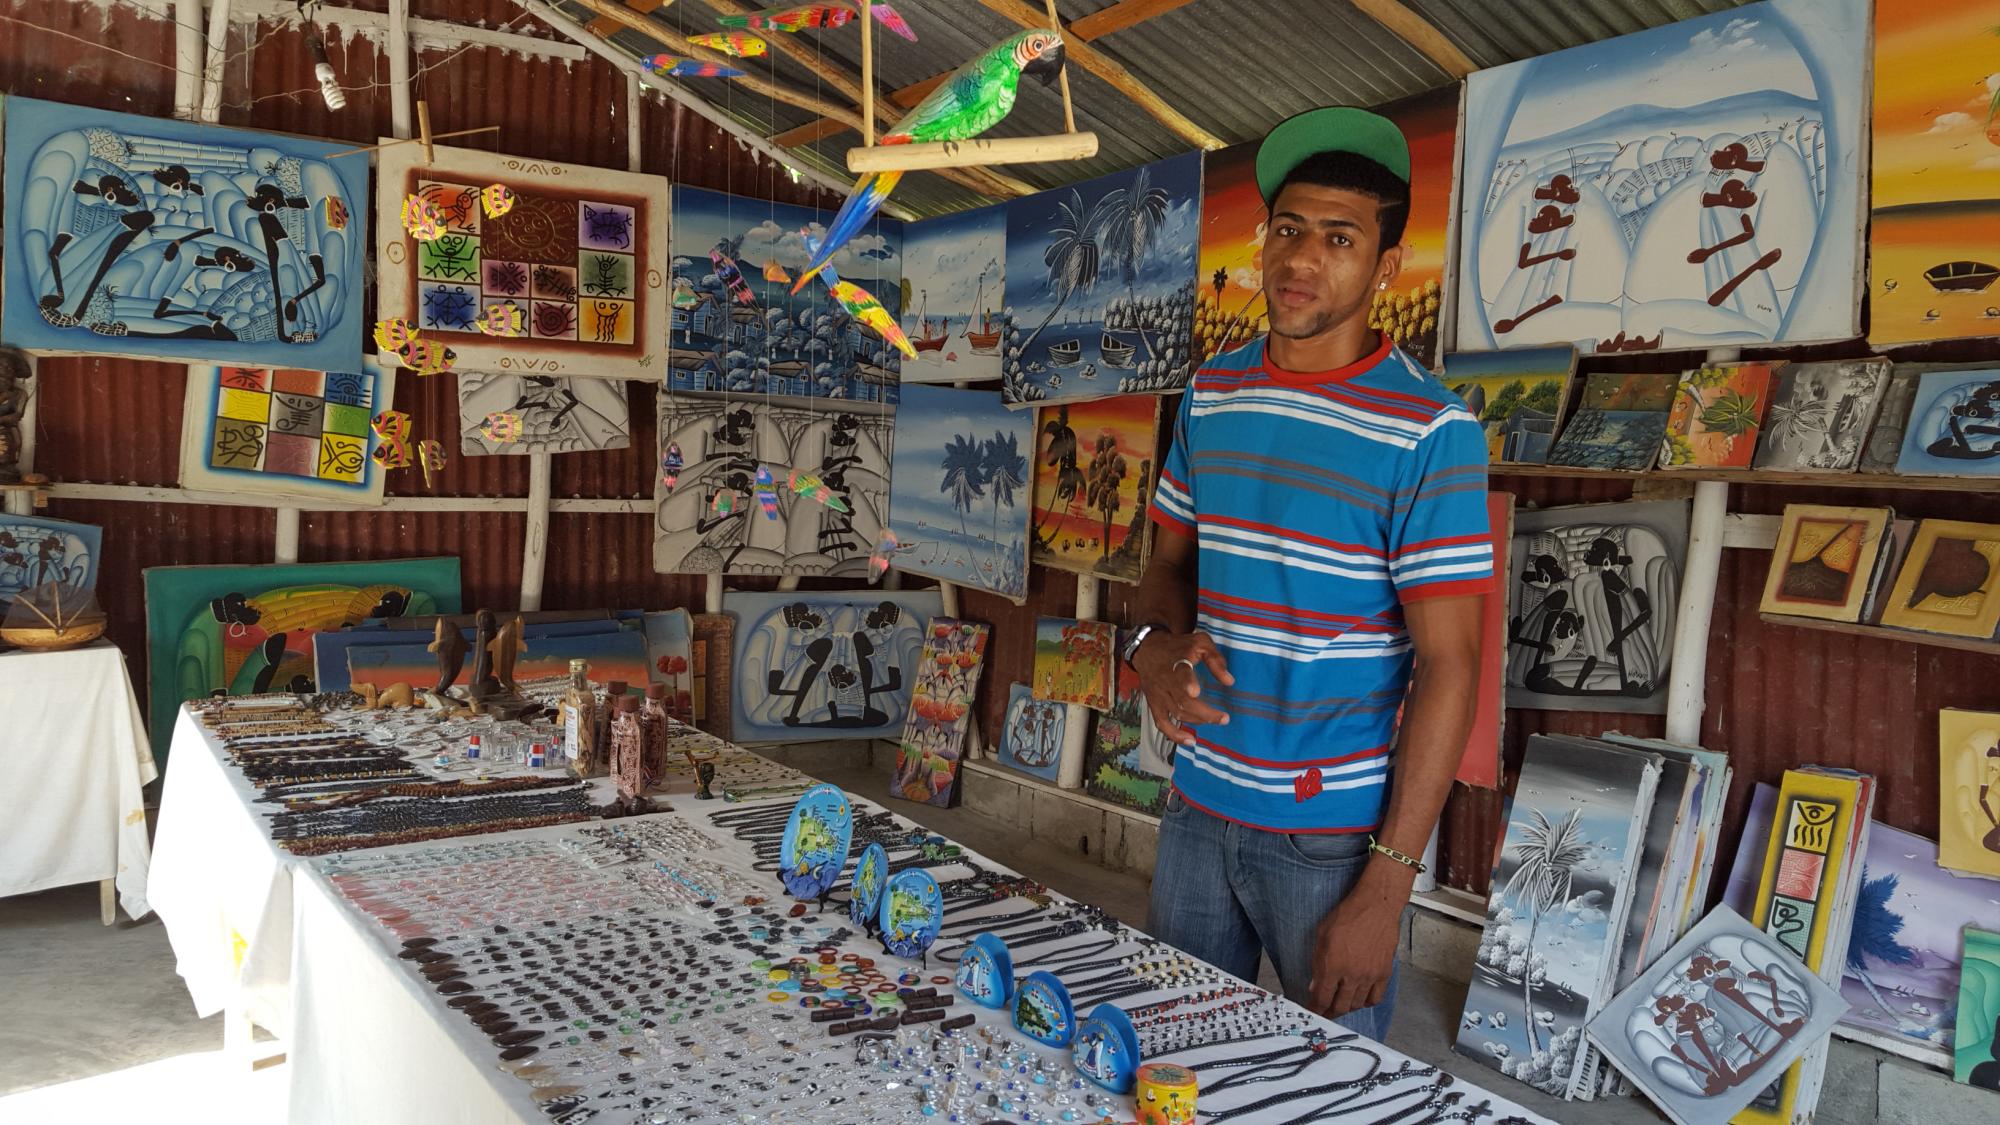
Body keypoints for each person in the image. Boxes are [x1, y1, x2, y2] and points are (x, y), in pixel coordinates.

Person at [1126, 106, 1492, 1040]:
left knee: (1334, 1089)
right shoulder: (1212, 394)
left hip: (1328, 841)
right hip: (1197, 810)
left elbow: (1450, 666)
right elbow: (1165, 563)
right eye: (1287, 230)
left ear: (1385, 267)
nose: (1301, 259)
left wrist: (1386, 888)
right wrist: (1150, 649)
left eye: (1338, 237)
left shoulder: (1430, 432)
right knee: (1181, 1059)